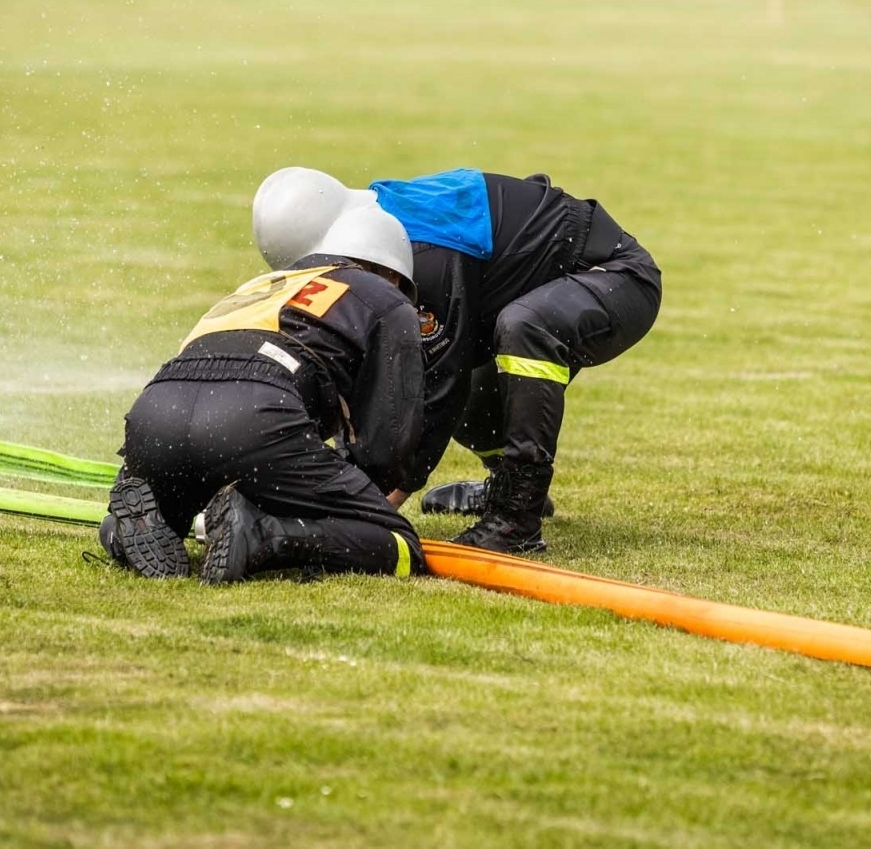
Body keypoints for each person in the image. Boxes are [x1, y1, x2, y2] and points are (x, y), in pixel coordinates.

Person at [252, 169, 662, 555]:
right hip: (522, 293)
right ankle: (506, 484)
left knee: (522, 330)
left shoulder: (424, 254)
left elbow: (437, 388)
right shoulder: (373, 232)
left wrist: (376, 503)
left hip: (616, 276)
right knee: (469, 359)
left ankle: (517, 517)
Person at [100, 172, 425, 584]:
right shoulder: (385, 298)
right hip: (254, 414)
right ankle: (262, 534)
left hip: (157, 409)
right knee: (399, 547)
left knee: (169, 501)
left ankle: (117, 530)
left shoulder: (260, 286)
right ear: (391, 270)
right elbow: (386, 447)